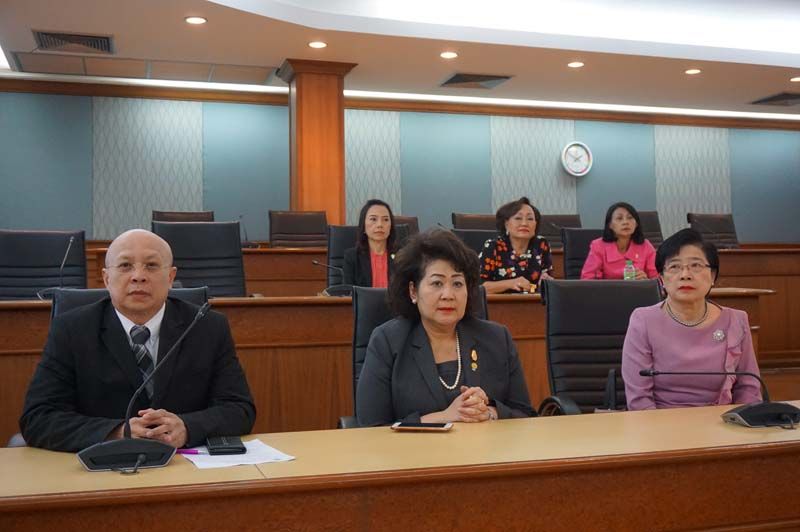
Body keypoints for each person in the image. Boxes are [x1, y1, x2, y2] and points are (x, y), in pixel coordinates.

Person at [19, 229, 256, 452]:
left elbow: (239, 409)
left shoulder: (207, 327)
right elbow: (38, 418)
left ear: (171, 277)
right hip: (102, 469)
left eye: (151, 266)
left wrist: (187, 427)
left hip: (184, 467)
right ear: (106, 278)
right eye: (125, 266)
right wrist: (117, 432)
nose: (138, 277)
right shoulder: (72, 329)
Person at [356, 229, 536, 426]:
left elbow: (525, 415)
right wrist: (445, 416)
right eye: (437, 283)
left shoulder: (497, 338)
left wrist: (489, 412)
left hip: (486, 446)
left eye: (457, 284)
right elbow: (370, 428)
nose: (448, 295)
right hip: (412, 447)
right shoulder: (387, 341)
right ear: (413, 291)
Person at [621, 229, 762, 410]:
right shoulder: (643, 321)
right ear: (662, 279)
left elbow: (749, 389)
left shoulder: (736, 320)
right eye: (674, 267)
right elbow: (639, 399)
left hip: (722, 421)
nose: (685, 275)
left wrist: (740, 422)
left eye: (696, 265)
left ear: (712, 276)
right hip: (659, 422)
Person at [479, 197, 554, 294]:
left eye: (530, 219)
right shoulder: (493, 247)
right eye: (518, 218)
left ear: (536, 224)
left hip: (534, 301)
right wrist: (511, 283)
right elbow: (480, 287)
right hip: (499, 302)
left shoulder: (541, 244)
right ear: (506, 223)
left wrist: (546, 281)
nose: (524, 223)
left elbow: (546, 277)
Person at [581, 202, 658, 280]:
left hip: (638, 288)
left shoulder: (645, 246)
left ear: (636, 224)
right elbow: (588, 279)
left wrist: (646, 281)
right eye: (619, 218)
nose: (625, 222)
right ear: (610, 225)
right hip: (608, 288)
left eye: (630, 218)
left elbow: (658, 278)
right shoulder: (598, 246)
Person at [343, 199, 397, 288]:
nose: (380, 224)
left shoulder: (402, 256)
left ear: (391, 226)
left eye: (385, 219)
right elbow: (348, 292)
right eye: (373, 219)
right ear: (363, 225)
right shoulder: (352, 257)